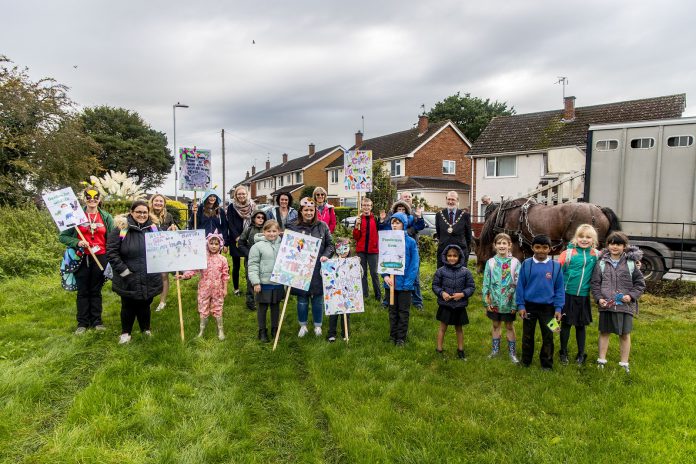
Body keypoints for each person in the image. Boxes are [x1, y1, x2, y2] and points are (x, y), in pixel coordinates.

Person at [59, 186, 115, 334]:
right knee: (83, 290)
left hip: (100, 257)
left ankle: (97, 321)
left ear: (99, 199)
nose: (92, 199)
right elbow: (63, 236)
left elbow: (111, 238)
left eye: (95, 197)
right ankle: (82, 323)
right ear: (84, 198)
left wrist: (111, 255)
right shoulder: (75, 216)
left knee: (96, 290)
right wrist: (77, 242)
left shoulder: (106, 217)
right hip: (81, 257)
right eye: (88, 197)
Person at [106, 200, 163, 345]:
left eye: (145, 212)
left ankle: (145, 329)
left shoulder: (154, 229)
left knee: (145, 303)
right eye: (138, 212)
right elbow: (112, 253)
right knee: (128, 305)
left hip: (148, 275)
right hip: (127, 275)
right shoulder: (121, 229)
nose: (142, 215)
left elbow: (163, 247)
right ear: (132, 212)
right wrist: (125, 272)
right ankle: (126, 333)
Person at [591, 232, 645, 373]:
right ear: (608, 245)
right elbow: (595, 284)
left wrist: (631, 296)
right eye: (612, 243)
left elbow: (640, 284)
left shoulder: (631, 263)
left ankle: (624, 363)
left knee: (625, 334)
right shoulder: (601, 263)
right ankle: (601, 360)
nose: (615, 247)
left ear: (624, 246)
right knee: (604, 332)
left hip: (625, 306)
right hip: (606, 305)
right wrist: (599, 298)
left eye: (618, 244)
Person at [516, 234, 565, 370]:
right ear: (532, 248)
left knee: (548, 335)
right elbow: (520, 286)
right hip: (529, 307)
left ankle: (547, 364)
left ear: (550, 249)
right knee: (527, 335)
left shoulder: (556, 267)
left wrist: (558, 308)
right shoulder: (526, 264)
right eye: (537, 247)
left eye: (545, 248)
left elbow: (559, 289)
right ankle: (525, 361)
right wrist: (521, 305)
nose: (541, 251)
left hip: (548, 309)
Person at [287, 197, 334, 337]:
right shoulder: (293, 226)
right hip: (300, 268)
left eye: (311, 210)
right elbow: (288, 246)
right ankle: (303, 325)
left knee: (317, 298)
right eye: (306, 210)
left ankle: (317, 326)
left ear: (315, 211)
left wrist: (326, 255)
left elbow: (330, 245)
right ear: (301, 211)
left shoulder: (322, 226)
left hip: (318, 268)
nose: (308, 212)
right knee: (302, 299)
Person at [557, 224, 600, 365]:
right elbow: (557, 273)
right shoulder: (568, 254)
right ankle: (563, 352)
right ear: (576, 238)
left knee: (581, 326)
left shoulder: (596, 255)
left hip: (583, 296)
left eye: (588, 237)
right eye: (581, 236)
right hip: (567, 294)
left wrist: (634, 262)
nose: (584, 239)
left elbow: (615, 260)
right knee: (566, 325)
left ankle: (581, 354)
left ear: (593, 239)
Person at [179, 231, 229, 340]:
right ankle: (201, 331)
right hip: (204, 289)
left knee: (218, 308)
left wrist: (225, 289)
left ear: (220, 245)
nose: (214, 246)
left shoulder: (223, 260)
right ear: (207, 244)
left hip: (217, 290)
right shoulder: (202, 258)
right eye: (211, 243)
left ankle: (220, 330)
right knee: (203, 308)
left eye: (216, 244)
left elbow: (225, 275)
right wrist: (184, 276)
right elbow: (194, 270)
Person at [378, 197, 425, 309]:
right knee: (391, 277)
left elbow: (420, 226)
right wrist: (381, 221)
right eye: (399, 209)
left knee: (414, 278)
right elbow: (383, 229)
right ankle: (387, 301)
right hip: (393, 253)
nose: (401, 211)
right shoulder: (392, 220)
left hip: (408, 252)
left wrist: (419, 218)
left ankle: (417, 302)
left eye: (403, 209)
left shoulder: (411, 219)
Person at [482, 233, 521, 363]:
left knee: (509, 326)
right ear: (495, 246)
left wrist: (515, 304)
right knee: (495, 325)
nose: (502, 246)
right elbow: (486, 282)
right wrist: (485, 300)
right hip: (494, 301)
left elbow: (517, 283)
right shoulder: (491, 262)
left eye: (504, 243)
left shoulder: (515, 263)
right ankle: (495, 350)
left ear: (510, 246)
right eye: (499, 243)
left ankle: (512, 353)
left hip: (509, 302)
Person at [432, 244, 476, 359]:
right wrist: (442, 293)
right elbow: (435, 286)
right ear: (445, 256)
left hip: (459, 306)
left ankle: (461, 350)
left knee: (459, 329)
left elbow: (471, 287)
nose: (452, 258)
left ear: (459, 257)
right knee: (442, 328)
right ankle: (439, 349)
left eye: (455, 256)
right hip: (445, 305)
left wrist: (462, 294)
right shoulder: (440, 271)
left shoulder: (466, 272)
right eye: (449, 256)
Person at [382, 212, 420, 346]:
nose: (394, 225)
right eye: (393, 222)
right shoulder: (387, 240)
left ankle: (401, 338)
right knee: (392, 311)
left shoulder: (410, 242)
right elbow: (383, 260)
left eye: (397, 223)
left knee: (403, 312)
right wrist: (385, 276)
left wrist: (408, 283)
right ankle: (393, 335)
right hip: (391, 283)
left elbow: (414, 264)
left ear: (403, 224)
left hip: (405, 284)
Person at [248, 220, 284, 342]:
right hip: (263, 283)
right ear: (264, 232)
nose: (272, 234)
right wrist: (256, 282)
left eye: (274, 231)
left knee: (275, 307)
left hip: (278, 282)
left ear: (279, 232)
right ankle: (262, 331)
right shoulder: (257, 246)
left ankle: (275, 329)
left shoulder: (283, 245)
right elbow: (253, 265)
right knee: (262, 308)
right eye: (269, 231)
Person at [226, 185, 256, 307]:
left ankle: (251, 288)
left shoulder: (253, 206)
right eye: (239, 194)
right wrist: (237, 237)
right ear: (235, 195)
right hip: (236, 239)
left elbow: (255, 221)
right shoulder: (231, 207)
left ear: (247, 194)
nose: (241, 196)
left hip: (249, 238)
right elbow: (230, 224)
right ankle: (236, 288)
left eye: (243, 194)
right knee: (236, 265)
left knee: (250, 265)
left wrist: (249, 237)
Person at [149, 193, 179, 312]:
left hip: (165, 249)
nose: (158, 203)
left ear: (164, 204)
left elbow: (172, 231)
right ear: (152, 202)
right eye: (156, 201)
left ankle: (162, 301)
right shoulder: (147, 214)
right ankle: (148, 299)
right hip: (150, 249)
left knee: (164, 275)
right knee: (150, 275)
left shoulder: (168, 216)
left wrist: (172, 230)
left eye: (161, 201)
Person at [238, 209, 268, 310]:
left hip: (264, 260)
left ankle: (262, 300)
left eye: (263, 218)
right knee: (251, 280)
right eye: (258, 217)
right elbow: (241, 243)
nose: (261, 219)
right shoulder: (249, 229)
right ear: (254, 218)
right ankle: (250, 302)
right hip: (251, 260)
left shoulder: (267, 230)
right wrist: (248, 254)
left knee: (263, 279)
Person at [353, 197, 381, 303]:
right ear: (361, 207)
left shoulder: (376, 219)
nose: (366, 207)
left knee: (374, 273)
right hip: (361, 250)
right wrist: (356, 226)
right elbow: (356, 237)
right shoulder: (358, 219)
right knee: (363, 272)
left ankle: (378, 295)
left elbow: (380, 232)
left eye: (368, 205)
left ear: (371, 207)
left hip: (373, 250)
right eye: (364, 205)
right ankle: (365, 294)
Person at [434, 191, 472, 269]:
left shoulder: (465, 215)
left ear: (457, 200)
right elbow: (439, 233)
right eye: (449, 199)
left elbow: (468, 235)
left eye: (453, 199)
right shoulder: (439, 215)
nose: (450, 202)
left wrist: (466, 250)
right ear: (446, 199)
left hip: (460, 251)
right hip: (443, 251)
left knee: (460, 276)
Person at [327, 238, 354, 342]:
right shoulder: (331, 261)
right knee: (333, 313)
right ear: (336, 249)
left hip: (347, 293)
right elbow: (324, 274)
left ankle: (345, 333)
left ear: (349, 249)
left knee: (345, 314)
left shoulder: (352, 261)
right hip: (334, 293)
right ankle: (331, 334)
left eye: (345, 248)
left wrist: (356, 265)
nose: (343, 251)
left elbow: (359, 275)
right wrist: (325, 265)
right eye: (340, 248)